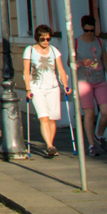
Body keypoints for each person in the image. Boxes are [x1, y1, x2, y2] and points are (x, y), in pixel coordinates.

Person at [23, 24, 71, 158]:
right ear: (37, 38)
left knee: (52, 119)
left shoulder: (54, 50)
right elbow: (26, 72)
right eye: (43, 39)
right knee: (43, 117)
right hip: (37, 88)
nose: (45, 42)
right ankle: (49, 145)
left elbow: (61, 70)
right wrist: (28, 89)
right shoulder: (30, 50)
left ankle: (50, 144)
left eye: (48, 39)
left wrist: (65, 85)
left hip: (53, 88)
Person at [75, 15, 107, 156]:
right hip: (84, 81)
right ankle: (91, 145)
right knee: (90, 114)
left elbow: (105, 61)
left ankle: (99, 135)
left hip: (100, 80)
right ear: (83, 29)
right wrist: (77, 64)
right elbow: (72, 61)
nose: (90, 33)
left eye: (92, 30)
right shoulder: (76, 43)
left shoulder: (100, 42)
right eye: (87, 31)